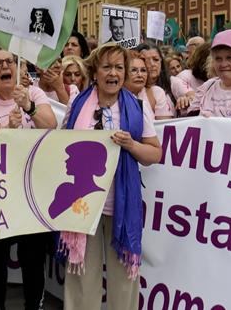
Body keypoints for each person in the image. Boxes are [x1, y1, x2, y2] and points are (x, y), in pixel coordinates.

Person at [60, 43, 161, 310]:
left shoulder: (138, 107)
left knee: (123, 281)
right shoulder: (77, 103)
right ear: (95, 72)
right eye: (107, 67)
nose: (113, 73)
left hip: (121, 205)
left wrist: (131, 145)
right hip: (81, 206)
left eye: (119, 67)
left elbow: (154, 154)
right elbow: (59, 147)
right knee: (82, 276)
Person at [0, 47, 56, 310]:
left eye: (10, 61)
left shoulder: (33, 93)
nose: (5, 66)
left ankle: (34, 304)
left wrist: (28, 107)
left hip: (30, 189)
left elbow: (50, 124)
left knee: (32, 255)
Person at [125, 53, 174, 120]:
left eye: (143, 70)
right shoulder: (115, 97)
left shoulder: (156, 92)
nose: (140, 75)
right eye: (133, 70)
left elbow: (165, 127)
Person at [135, 42, 175, 116]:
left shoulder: (173, 81)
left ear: (161, 61)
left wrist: (185, 98)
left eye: (156, 59)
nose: (152, 64)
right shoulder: (135, 91)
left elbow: (191, 96)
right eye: (144, 60)